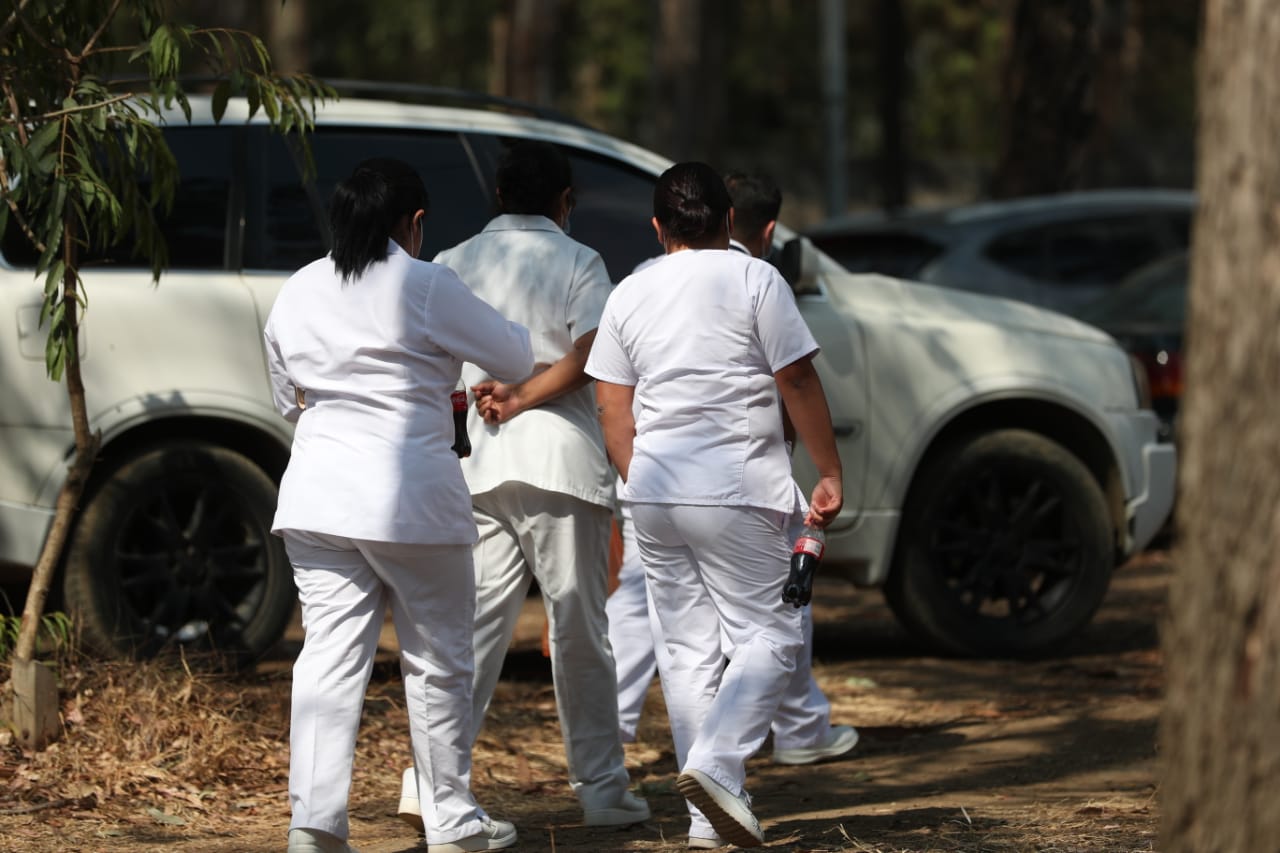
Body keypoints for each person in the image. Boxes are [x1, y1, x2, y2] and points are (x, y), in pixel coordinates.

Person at [264, 158, 533, 853]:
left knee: (327, 659)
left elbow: (284, 396)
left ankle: (315, 826)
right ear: (414, 223)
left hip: (317, 497)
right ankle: (452, 819)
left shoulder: (297, 289)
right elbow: (514, 355)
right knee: (439, 659)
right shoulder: (425, 283)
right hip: (410, 500)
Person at [586, 162, 845, 849]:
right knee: (776, 634)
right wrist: (829, 470)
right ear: (729, 222)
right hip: (740, 486)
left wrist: (639, 476)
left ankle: (707, 821)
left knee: (687, 654)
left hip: (656, 490)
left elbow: (612, 402)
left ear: (657, 227)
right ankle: (713, 763)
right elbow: (793, 374)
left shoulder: (631, 291)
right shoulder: (757, 278)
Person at [396, 140, 650, 831]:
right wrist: (528, 393)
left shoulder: (450, 260)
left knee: (468, 632)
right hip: (560, 464)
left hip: (474, 464)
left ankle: (428, 780)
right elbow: (596, 347)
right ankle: (601, 790)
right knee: (579, 631)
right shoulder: (578, 259)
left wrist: (494, 401)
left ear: (500, 198)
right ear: (564, 202)